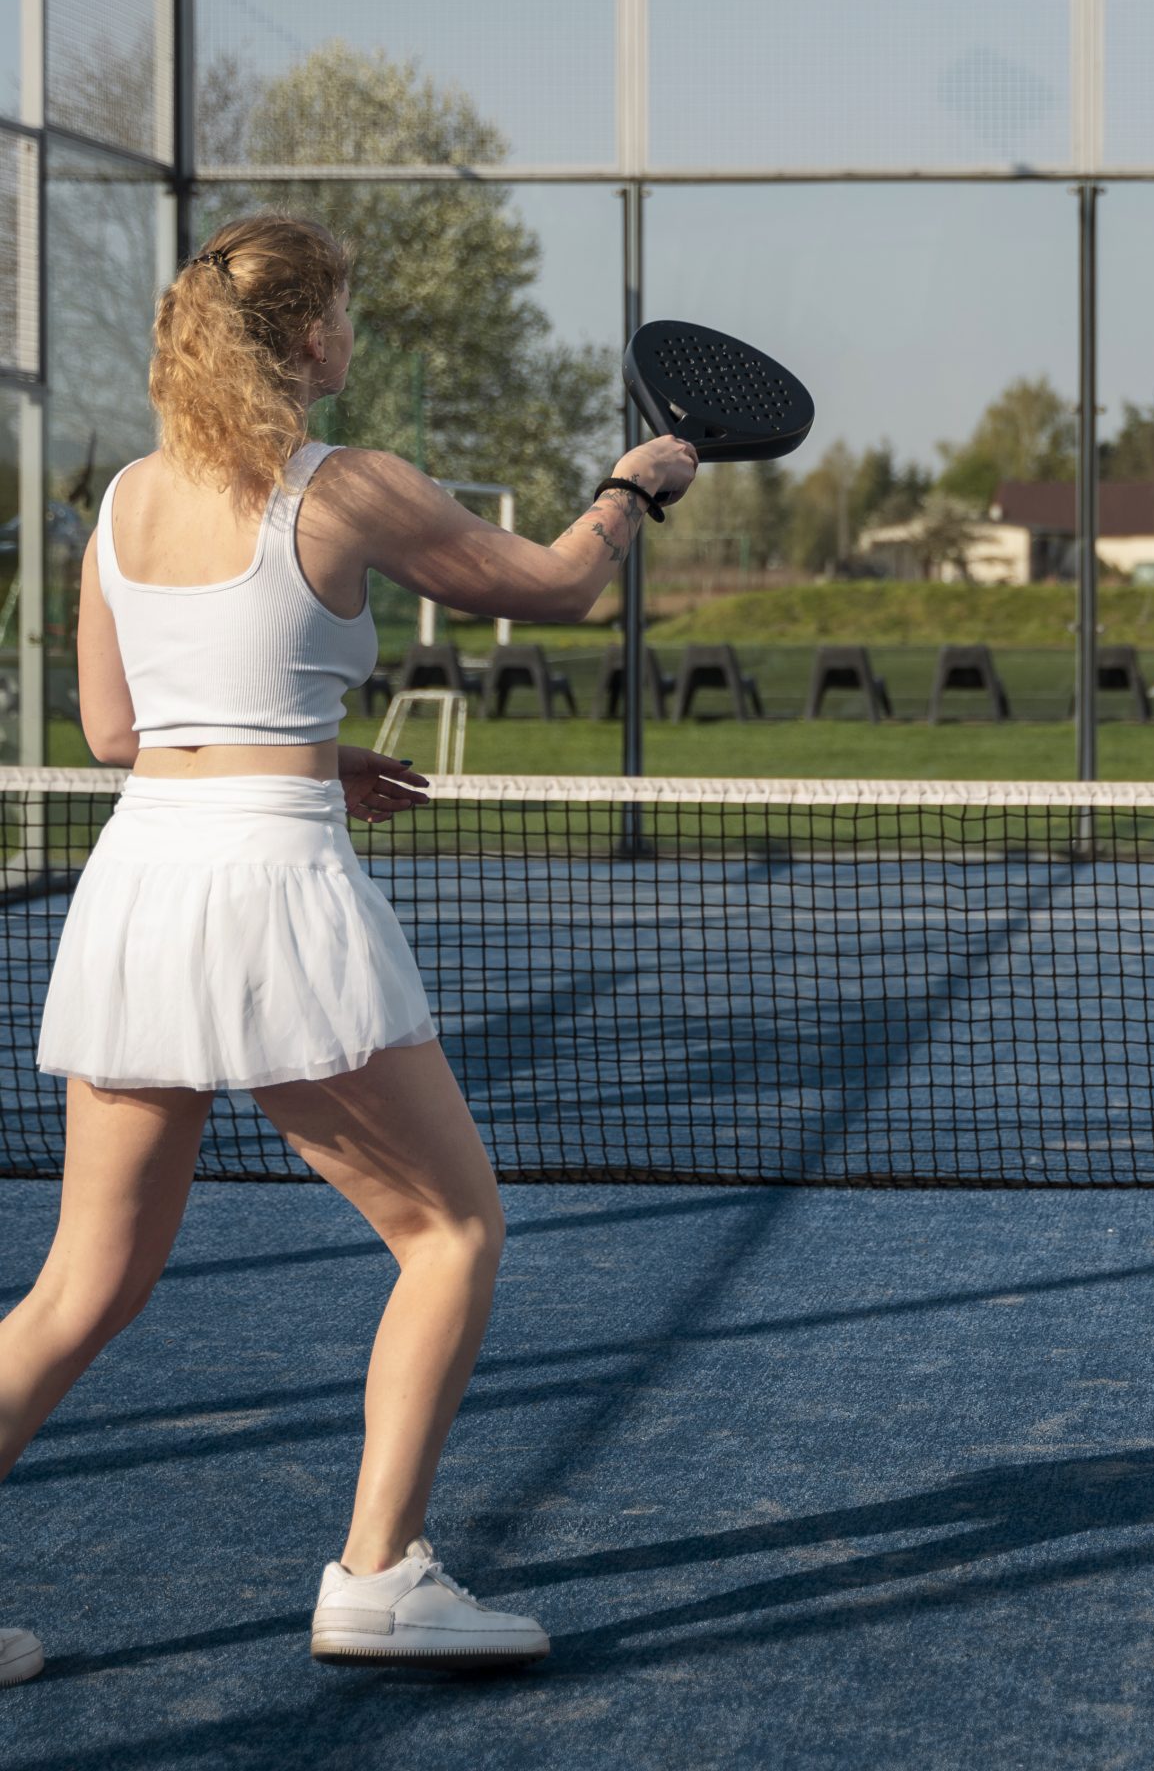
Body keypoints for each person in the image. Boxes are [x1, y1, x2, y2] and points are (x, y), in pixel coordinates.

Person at [0, 214, 697, 1681]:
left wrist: (313, 755)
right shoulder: (348, 484)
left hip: (138, 887)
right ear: (310, 336)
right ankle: (379, 1579)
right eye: (347, 315)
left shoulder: (123, 502)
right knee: (450, 1230)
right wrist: (633, 486)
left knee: (80, 1286)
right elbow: (556, 586)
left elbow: (122, 733)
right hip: (269, 890)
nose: (354, 336)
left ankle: (385, 1573)